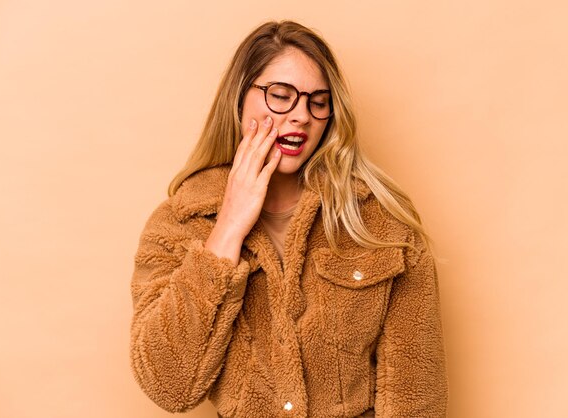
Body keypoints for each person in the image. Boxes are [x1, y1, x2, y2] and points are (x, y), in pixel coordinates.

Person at [129, 20, 448, 418]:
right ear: (239, 99)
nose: (300, 116)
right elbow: (168, 386)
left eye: (317, 101)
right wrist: (228, 228)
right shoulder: (179, 222)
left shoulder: (379, 220)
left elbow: (416, 396)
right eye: (281, 96)